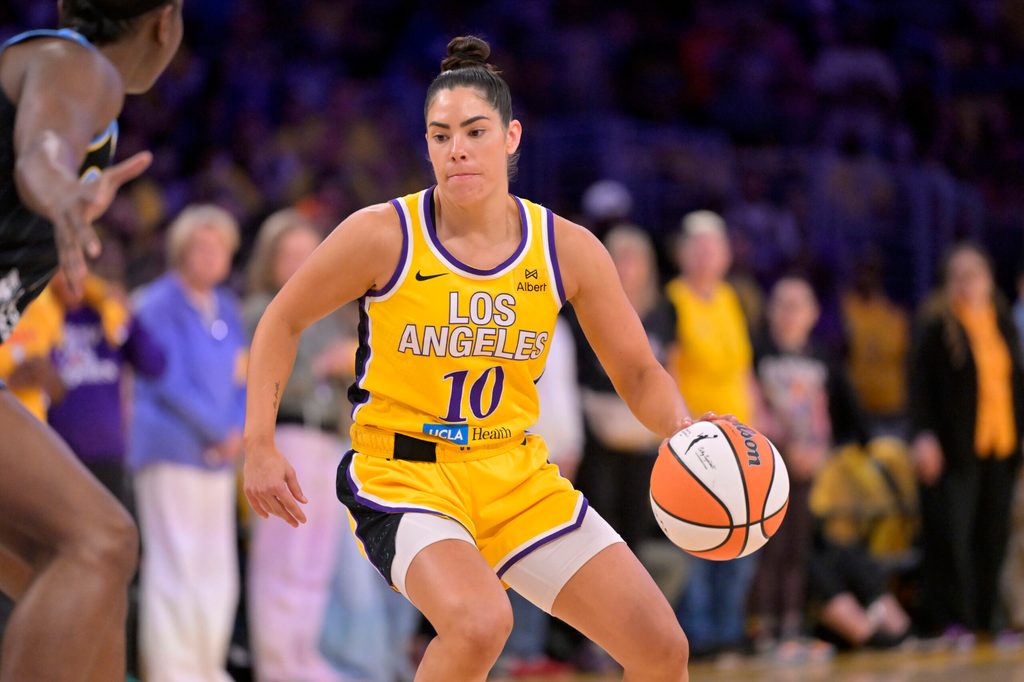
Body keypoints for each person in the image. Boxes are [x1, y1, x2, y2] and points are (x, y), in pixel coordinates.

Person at [245, 36, 701, 682]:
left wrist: (684, 434)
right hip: (404, 476)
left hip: (515, 474)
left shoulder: (566, 249)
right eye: (440, 134)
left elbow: (637, 373)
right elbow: (280, 319)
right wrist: (258, 442)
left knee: (661, 647)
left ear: (512, 137)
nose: (456, 147)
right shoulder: (383, 233)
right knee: (480, 621)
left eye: (475, 131)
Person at [0, 2, 182, 680]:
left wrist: (69, 193)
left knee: (83, 572)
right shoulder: (78, 65)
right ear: (166, 20)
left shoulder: (64, 82)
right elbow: (40, 151)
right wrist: (56, 190)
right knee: (102, 542)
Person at [129, 204, 247, 682]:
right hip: (171, 450)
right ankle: (173, 671)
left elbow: (244, 375)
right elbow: (166, 380)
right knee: (175, 563)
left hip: (218, 459)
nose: (211, 255)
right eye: (201, 245)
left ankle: (207, 665)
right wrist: (217, 430)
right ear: (180, 250)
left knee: (216, 567)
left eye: (220, 246)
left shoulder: (228, 308)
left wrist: (239, 428)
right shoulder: (156, 304)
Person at [242, 208, 358, 682]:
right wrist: (323, 369)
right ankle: (276, 664)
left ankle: (302, 657)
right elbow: (261, 384)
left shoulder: (331, 316)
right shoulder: (259, 312)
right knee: (281, 557)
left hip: (328, 441)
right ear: (270, 259)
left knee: (315, 559)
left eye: (306, 253)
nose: (298, 262)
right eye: (288, 253)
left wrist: (345, 363)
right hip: (282, 436)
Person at [909, 242, 1024, 643]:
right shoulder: (938, 326)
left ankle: (987, 618)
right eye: (960, 275)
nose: (968, 282)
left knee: (993, 535)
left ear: (989, 279)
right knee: (951, 536)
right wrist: (922, 436)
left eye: (975, 273)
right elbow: (919, 389)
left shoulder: (1002, 321)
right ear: (949, 282)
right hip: (953, 447)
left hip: (1001, 444)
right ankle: (951, 619)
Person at [666, 210, 760, 660]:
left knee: (743, 536)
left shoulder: (730, 299)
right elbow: (663, 370)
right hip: (695, 445)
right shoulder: (673, 299)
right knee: (698, 541)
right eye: (697, 246)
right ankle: (699, 638)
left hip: (738, 444)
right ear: (682, 253)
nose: (705, 255)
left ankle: (729, 630)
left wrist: (759, 431)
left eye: (714, 247)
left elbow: (744, 372)